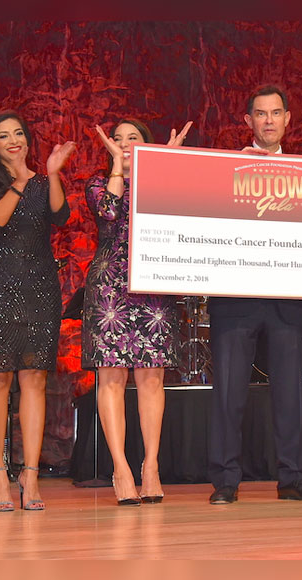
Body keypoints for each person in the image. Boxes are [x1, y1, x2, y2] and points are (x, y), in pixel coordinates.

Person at [207, 85, 302, 505]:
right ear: (248, 122)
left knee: (291, 393)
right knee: (228, 393)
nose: (269, 120)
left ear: (288, 119)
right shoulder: (223, 169)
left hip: (287, 297)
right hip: (233, 296)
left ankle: (293, 478)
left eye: (276, 113)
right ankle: (225, 480)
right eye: (260, 114)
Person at [0, 110, 76, 511]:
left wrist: (50, 173)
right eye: (4, 136)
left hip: (40, 287)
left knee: (34, 378)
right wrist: (19, 179)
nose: (13, 140)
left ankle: (30, 477)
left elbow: (61, 217)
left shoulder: (42, 180)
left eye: (18, 134)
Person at [82, 118, 191, 505]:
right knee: (111, 377)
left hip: (152, 286)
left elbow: (182, 215)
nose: (125, 144)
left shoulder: (157, 183)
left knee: (151, 377)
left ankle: (150, 465)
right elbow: (109, 212)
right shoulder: (97, 183)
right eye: (118, 139)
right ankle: (120, 467)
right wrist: (116, 168)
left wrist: (165, 166)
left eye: (134, 139)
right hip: (110, 287)